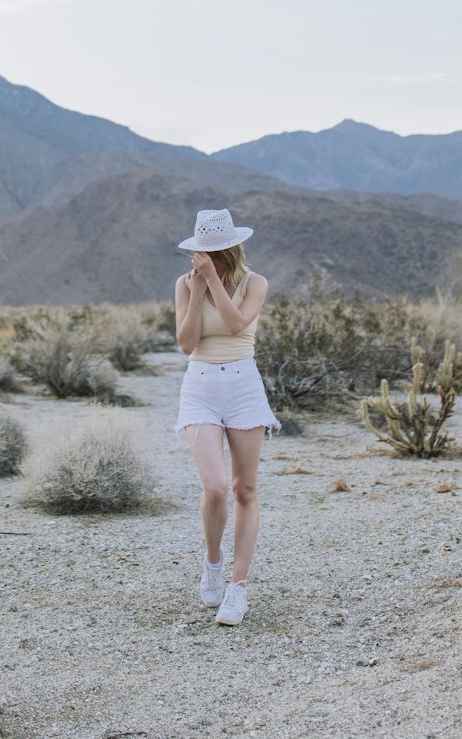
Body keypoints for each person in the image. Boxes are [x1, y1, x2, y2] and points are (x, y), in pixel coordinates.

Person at [174, 208, 280, 626]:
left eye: (217, 251)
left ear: (232, 248)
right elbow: (186, 343)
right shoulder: (185, 284)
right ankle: (213, 561)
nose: (209, 257)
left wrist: (215, 282)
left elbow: (237, 325)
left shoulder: (256, 283)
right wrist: (197, 290)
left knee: (245, 489)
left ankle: (238, 588)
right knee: (215, 487)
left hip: (242, 385)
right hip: (199, 384)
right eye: (205, 251)